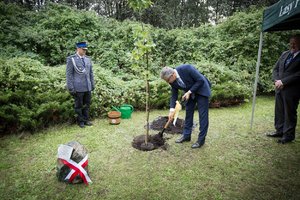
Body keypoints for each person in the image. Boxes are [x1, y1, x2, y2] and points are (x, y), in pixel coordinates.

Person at [160, 64, 211, 149]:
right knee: (188, 113)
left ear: (173, 75)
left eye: (168, 80)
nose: (168, 83)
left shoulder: (187, 68)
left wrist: (189, 92)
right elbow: (174, 95)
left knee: (203, 116)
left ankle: (200, 140)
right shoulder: (172, 80)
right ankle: (186, 136)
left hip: (202, 90)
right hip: (189, 93)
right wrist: (171, 110)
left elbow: (200, 80)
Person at [267, 35, 300, 144]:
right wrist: (277, 81)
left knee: (289, 112)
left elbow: (298, 74)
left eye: (295, 43)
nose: (292, 45)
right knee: (279, 111)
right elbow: (275, 69)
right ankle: (279, 131)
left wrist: (284, 82)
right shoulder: (284, 54)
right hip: (279, 88)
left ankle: (288, 136)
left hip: (292, 90)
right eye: (291, 43)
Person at [66, 41, 95, 128]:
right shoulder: (72, 59)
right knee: (78, 106)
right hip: (78, 87)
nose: (85, 51)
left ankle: (86, 120)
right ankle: (80, 121)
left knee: (87, 104)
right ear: (78, 49)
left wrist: (92, 84)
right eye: (83, 49)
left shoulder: (87, 59)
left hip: (87, 87)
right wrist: (71, 87)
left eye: (85, 49)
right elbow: (69, 74)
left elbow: (91, 73)